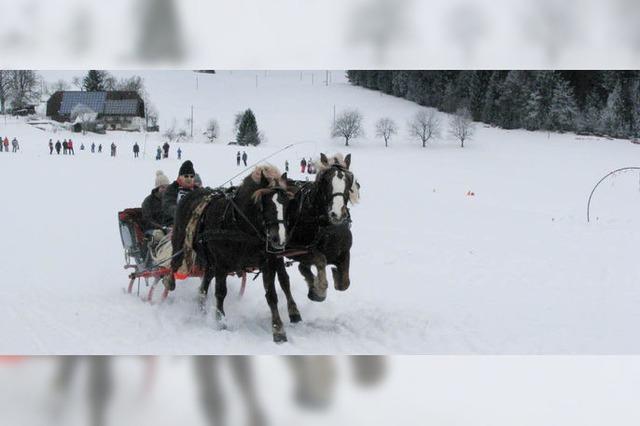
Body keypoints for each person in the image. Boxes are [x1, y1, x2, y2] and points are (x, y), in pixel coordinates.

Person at [162, 160, 196, 227]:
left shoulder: (197, 190)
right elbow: (168, 205)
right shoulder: (172, 189)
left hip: (193, 224)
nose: (189, 179)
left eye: (191, 176)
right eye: (186, 176)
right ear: (180, 177)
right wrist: (180, 211)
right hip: (172, 224)